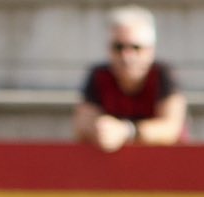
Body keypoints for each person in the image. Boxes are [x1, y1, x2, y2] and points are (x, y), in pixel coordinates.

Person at [73, 6, 187, 152]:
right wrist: (102, 129)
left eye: (136, 47)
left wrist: (127, 131)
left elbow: (171, 128)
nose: (126, 56)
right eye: (118, 47)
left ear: (150, 50)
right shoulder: (99, 75)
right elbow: (82, 124)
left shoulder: (163, 74)